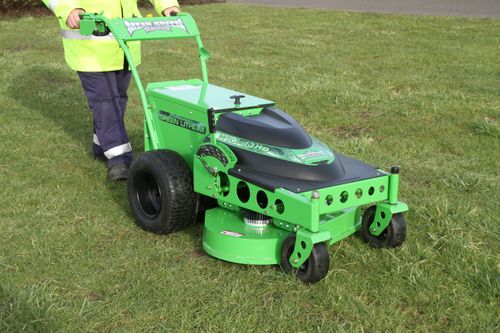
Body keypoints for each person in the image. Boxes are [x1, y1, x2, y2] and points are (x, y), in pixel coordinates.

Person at [42, 0, 180, 180]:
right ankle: (119, 158)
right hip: (90, 48)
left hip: (124, 46)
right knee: (105, 102)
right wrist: (70, 9)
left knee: (118, 99)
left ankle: (101, 145)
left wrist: (167, 5)